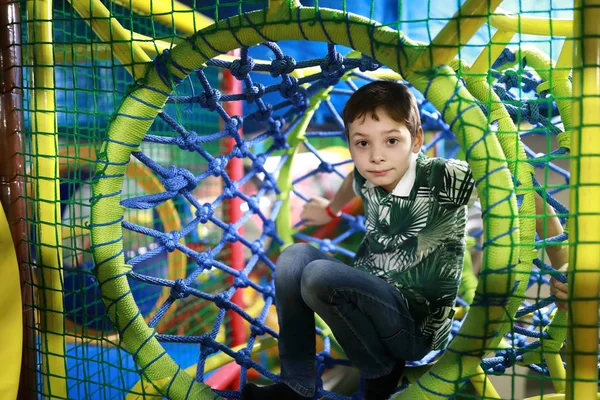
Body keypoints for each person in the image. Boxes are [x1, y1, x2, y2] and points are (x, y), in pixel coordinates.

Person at [242, 80, 568, 400]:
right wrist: (331, 210)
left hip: (416, 325)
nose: (376, 157)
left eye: (391, 141)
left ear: (416, 141)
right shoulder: (366, 174)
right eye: (363, 143)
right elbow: (351, 182)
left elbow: (528, 196)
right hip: (373, 306)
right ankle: (295, 384)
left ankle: (380, 373)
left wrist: (561, 262)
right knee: (292, 258)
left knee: (317, 276)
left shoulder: (444, 176)